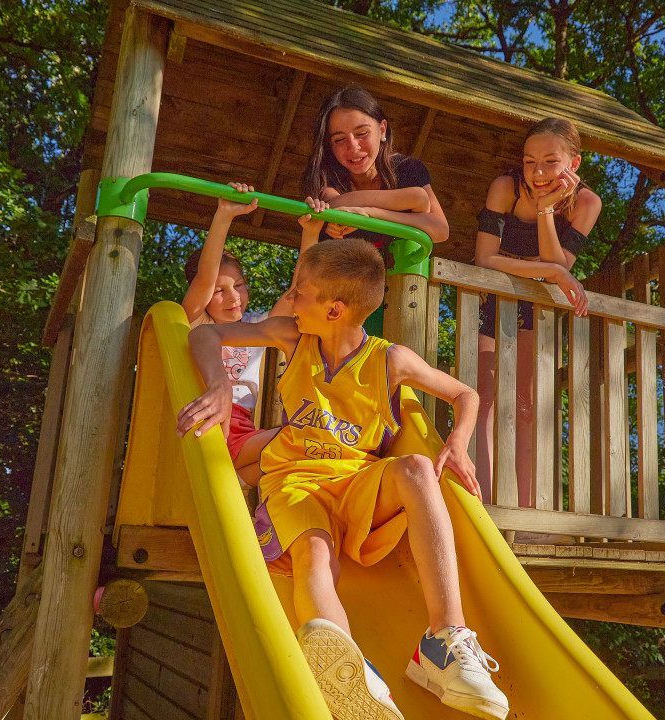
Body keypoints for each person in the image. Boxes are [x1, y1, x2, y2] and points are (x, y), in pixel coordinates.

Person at [177, 238, 509, 720]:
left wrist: (457, 441)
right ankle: (351, 674)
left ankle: (443, 643)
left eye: (299, 292)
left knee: (417, 468)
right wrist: (219, 384)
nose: (289, 299)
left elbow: (465, 394)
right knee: (313, 553)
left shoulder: (389, 359)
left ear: (334, 310)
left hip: (356, 482)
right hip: (294, 481)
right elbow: (203, 337)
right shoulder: (293, 336)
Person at [474, 118, 598, 506]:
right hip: (490, 299)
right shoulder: (505, 187)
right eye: (530, 162)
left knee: (528, 405)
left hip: (537, 310)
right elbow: (484, 259)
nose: (538, 172)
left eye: (550, 161)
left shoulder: (586, 202)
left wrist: (546, 212)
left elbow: (556, 268)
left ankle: (526, 512)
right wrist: (550, 270)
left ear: (573, 164)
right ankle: (481, 504)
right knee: (483, 398)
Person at [181, 183, 325, 487]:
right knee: (310, 437)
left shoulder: (256, 326)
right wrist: (224, 216)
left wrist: (310, 234)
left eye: (240, 285)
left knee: (307, 456)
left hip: (245, 432)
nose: (234, 296)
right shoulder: (195, 321)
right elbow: (205, 278)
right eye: (220, 291)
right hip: (215, 424)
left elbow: (298, 293)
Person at [302, 85, 450, 334]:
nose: (353, 147)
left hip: (399, 298)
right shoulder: (324, 176)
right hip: (341, 300)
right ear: (329, 144)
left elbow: (440, 229)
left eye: (362, 133)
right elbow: (337, 205)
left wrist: (372, 214)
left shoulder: (406, 169)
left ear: (382, 130)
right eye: (339, 140)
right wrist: (409, 202)